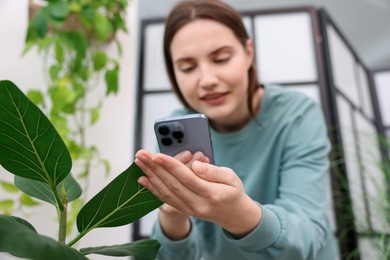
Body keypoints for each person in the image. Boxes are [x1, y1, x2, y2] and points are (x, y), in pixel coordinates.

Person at [134, 0, 339, 259]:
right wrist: (173, 215)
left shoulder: (297, 115)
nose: (207, 80)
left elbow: (307, 235)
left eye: (221, 58)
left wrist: (239, 214)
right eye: (187, 67)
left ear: (248, 53)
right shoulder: (176, 130)